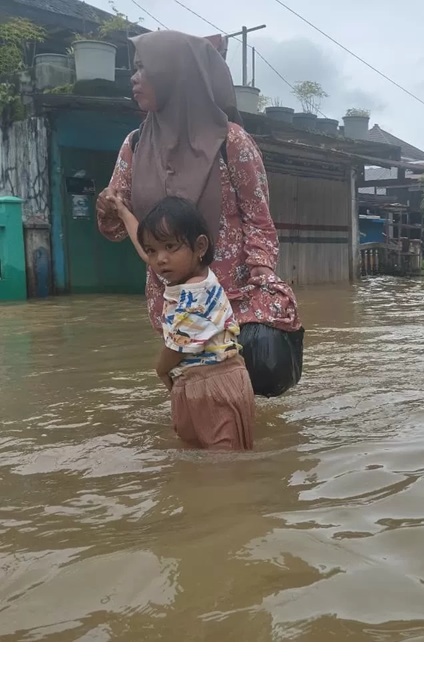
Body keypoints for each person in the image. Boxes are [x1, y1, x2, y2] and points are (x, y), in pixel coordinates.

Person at [96, 30, 303, 398]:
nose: (134, 77)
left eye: (144, 68)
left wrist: (261, 277)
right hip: (172, 300)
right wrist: (106, 210)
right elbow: (116, 225)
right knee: (193, 396)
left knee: (239, 394)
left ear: (174, 74)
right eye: (135, 69)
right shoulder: (135, 145)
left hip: (232, 299)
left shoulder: (231, 141)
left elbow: (258, 219)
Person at [113, 195, 254, 449]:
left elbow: (177, 347)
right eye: (152, 251)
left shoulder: (196, 292)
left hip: (214, 384)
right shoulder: (186, 275)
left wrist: (160, 369)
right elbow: (146, 248)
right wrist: (123, 212)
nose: (159, 259)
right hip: (194, 383)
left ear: (200, 247)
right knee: (200, 458)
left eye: (170, 247)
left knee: (226, 465)